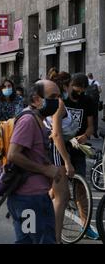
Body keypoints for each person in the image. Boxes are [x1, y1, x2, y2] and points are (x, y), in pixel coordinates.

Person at [7, 80, 63, 244]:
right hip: (30, 199)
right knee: (42, 240)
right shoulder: (28, 121)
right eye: (52, 96)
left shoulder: (39, 119)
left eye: (59, 96)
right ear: (35, 99)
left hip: (30, 197)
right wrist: (45, 170)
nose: (57, 101)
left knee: (26, 241)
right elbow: (13, 155)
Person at [64, 73, 98, 239]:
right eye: (77, 90)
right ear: (70, 85)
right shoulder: (62, 100)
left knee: (81, 190)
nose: (79, 93)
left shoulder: (88, 101)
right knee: (59, 187)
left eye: (82, 91)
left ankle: (86, 226)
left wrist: (84, 135)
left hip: (79, 148)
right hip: (61, 148)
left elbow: (91, 127)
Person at [46, 71, 77, 243]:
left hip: (50, 148)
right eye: (70, 85)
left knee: (53, 193)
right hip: (55, 150)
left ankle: (37, 211)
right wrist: (67, 162)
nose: (72, 88)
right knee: (62, 197)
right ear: (64, 86)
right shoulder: (58, 103)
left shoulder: (49, 101)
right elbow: (56, 134)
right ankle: (56, 239)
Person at [86, 73, 102, 138]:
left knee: (87, 117)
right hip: (94, 103)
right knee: (95, 117)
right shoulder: (96, 82)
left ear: (87, 77)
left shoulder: (86, 82)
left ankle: (88, 134)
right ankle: (95, 132)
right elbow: (100, 90)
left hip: (87, 103)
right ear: (92, 76)